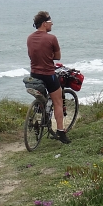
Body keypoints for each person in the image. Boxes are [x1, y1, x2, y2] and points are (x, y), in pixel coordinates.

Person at [27, 11, 71, 144]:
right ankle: (61, 132)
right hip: (48, 74)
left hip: (34, 74)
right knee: (57, 102)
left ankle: (40, 110)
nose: (52, 24)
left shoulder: (29, 38)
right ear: (45, 23)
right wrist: (49, 56)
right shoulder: (51, 38)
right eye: (51, 22)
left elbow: (32, 54)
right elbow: (57, 57)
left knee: (43, 98)